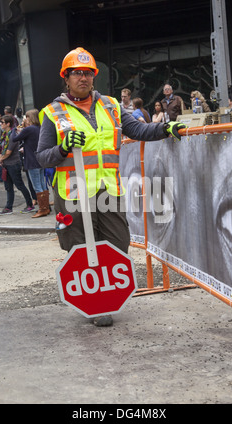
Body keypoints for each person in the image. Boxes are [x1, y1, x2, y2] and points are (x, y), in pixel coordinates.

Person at [36, 47, 186, 327]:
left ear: (94, 77)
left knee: (118, 244)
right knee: (79, 248)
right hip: (72, 193)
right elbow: (41, 156)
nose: (83, 78)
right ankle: (94, 305)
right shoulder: (52, 112)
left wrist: (166, 128)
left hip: (108, 190)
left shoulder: (111, 105)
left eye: (88, 73)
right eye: (77, 73)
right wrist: (63, 148)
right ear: (66, 78)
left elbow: (138, 130)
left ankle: (108, 295)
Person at [12, 109, 50, 218]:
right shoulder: (40, 128)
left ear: (30, 118)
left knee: (37, 186)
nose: (25, 119)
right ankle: (46, 207)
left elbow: (15, 139)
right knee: (43, 185)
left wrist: (17, 130)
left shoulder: (29, 129)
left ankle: (42, 209)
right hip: (40, 160)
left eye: (27, 117)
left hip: (32, 161)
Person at [0, 115, 35, 215]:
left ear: (8, 124)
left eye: (2, 122)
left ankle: (30, 205)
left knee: (20, 185)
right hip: (6, 164)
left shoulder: (12, 135)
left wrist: (0, 159)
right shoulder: (4, 134)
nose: (1, 124)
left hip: (13, 164)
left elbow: (8, 152)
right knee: (8, 187)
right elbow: (2, 150)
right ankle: (8, 208)